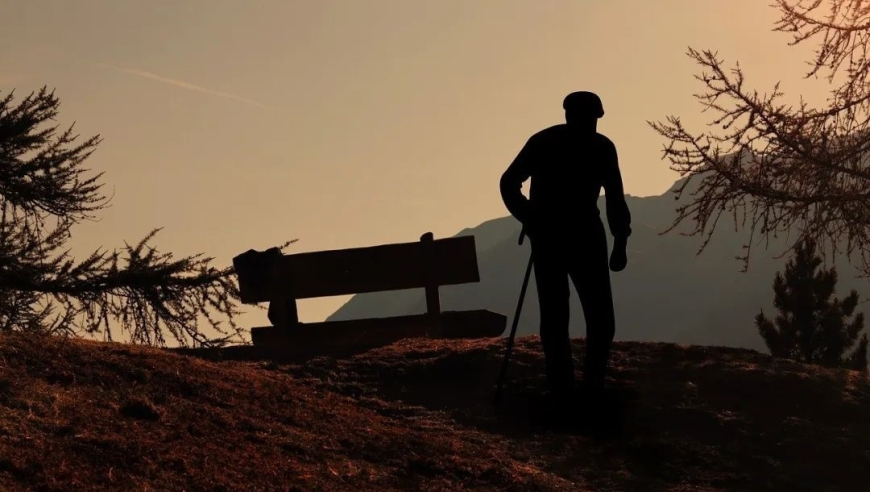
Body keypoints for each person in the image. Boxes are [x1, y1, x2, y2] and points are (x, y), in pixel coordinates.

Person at [499, 91, 631, 407]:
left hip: (558, 235)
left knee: (576, 317)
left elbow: (614, 198)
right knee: (580, 316)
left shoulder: (548, 142)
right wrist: (529, 215)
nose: (592, 124)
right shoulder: (596, 147)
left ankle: (575, 391)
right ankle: (577, 391)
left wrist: (620, 239)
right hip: (571, 234)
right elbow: (508, 183)